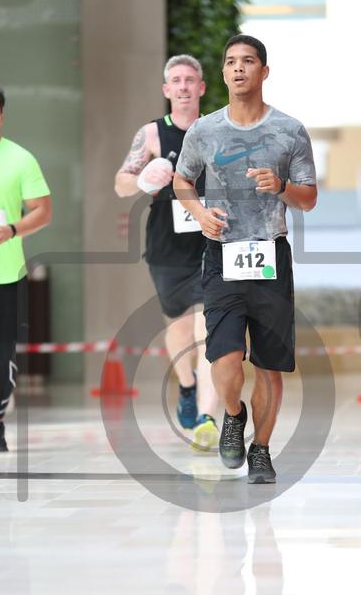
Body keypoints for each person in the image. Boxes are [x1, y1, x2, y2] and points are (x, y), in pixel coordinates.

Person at [173, 35, 317, 483]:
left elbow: (309, 198)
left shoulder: (290, 130)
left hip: (271, 255)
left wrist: (281, 187)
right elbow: (181, 181)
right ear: (223, 73)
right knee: (225, 358)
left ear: (264, 71)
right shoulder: (204, 130)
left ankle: (262, 450)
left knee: (270, 366)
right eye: (231, 62)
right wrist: (199, 213)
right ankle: (233, 415)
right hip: (222, 255)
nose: (239, 68)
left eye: (248, 61)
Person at [114, 55, 219, 451]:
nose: (183, 86)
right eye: (176, 80)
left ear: (201, 87)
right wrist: (143, 179)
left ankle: (207, 417)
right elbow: (120, 184)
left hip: (211, 241)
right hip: (167, 246)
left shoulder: (215, 130)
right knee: (178, 328)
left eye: (190, 79)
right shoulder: (151, 134)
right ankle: (187, 386)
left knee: (208, 330)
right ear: (166, 90)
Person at [0, 84, 52, 451]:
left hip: (6, 276)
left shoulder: (20, 159)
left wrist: (12, 229)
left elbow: (43, 211)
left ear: (2, 115)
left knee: (3, 352)